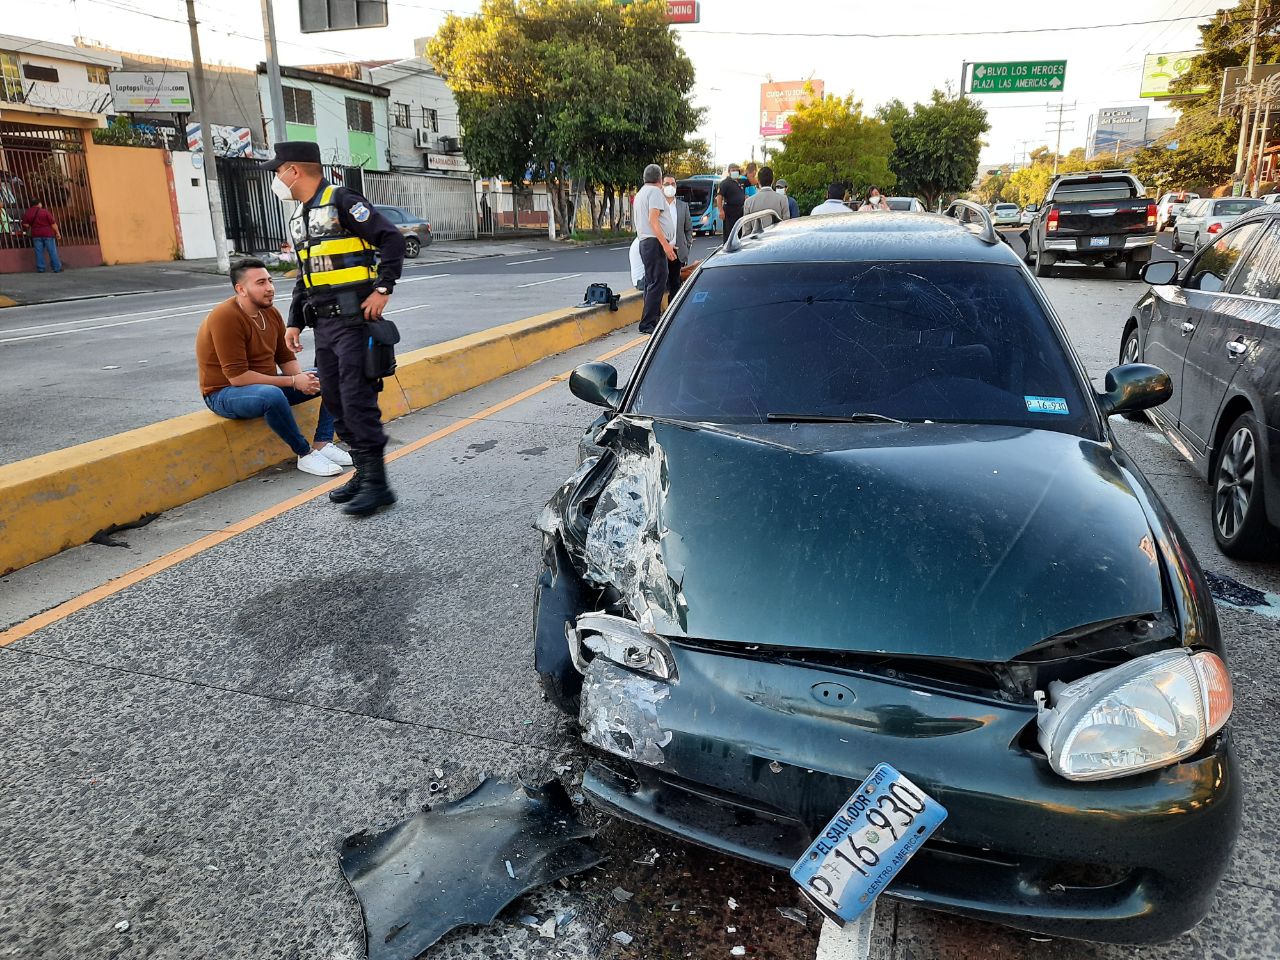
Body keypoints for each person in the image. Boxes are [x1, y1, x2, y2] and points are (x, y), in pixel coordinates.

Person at [265, 141, 406, 516]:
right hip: (323, 325)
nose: (276, 178)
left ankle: (377, 484)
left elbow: (390, 238)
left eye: (278, 170)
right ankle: (363, 472)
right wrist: (294, 321)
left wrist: (383, 288)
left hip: (355, 321)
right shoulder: (299, 217)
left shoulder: (342, 200)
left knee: (357, 398)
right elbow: (305, 276)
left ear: (294, 170)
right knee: (335, 398)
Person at [197, 258, 350, 477]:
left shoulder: (269, 312)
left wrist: (302, 380)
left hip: (262, 384)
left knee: (331, 374)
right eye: (260, 283)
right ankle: (305, 454)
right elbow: (237, 378)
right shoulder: (225, 316)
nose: (270, 288)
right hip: (223, 393)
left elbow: (285, 358)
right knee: (271, 395)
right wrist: (293, 382)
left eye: (270, 281)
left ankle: (322, 443)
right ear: (241, 289)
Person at [634, 162, 677, 334]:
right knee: (658, 281)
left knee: (652, 282)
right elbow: (654, 220)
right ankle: (648, 323)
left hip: (646, 242)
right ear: (659, 178)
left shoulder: (641, 193)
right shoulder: (654, 192)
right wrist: (666, 245)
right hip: (654, 242)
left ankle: (651, 319)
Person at [663, 174, 694, 302]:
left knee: (676, 283)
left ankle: (672, 312)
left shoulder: (683, 206)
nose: (670, 187)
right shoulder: (657, 206)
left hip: (677, 251)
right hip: (662, 250)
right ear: (661, 186)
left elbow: (688, 229)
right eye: (666, 184)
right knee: (661, 283)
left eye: (673, 184)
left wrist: (686, 246)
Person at [21, 200, 62, 274]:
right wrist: (57, 232)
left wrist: (32, 226)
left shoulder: (28, 212)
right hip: (47, 234)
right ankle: (57, 268)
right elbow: (53, 223)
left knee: (39, 252)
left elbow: (25, 224)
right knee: (52, 251)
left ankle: (41, 268)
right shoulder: (44, 212)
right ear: (39, 204)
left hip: (36, 234)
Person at [716, 163, 746, 241]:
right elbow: (719, 197)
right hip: (730, 211)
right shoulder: (725, 183)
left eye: (737, 170)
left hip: (740, 211)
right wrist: (721, 210)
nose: (735, 172)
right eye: (733, 170)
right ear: (729, 171)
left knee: (740, 233)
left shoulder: (740, 182)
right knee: (730, 234)